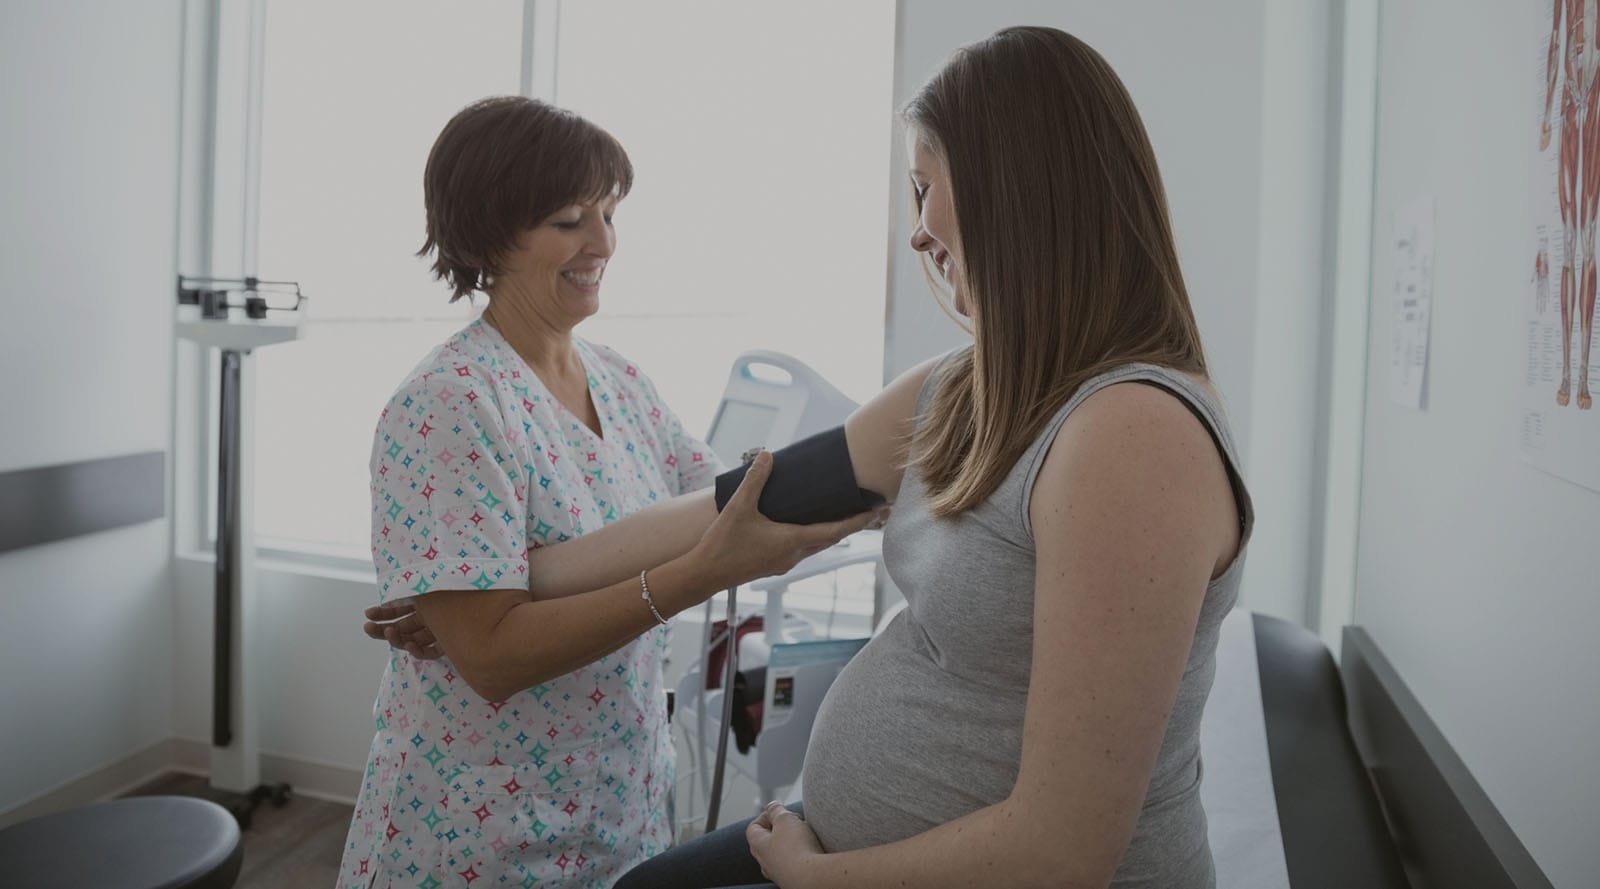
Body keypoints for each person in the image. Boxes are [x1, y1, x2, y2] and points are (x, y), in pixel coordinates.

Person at [378, 24, 1252, 888]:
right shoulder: (958, 390)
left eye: (924, 190)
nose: (917, 233)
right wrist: (493, 593)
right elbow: (736, 504)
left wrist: (815, 874)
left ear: (1015, 191)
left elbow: (1062, 855)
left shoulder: (1136, 435)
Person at [337, 96, 875, 889]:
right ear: (490, 234)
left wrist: (878, 466)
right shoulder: (450, 403)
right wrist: (697, 573)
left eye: (609, 214)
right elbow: (488, 657)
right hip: (476, 837)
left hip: (616, 813)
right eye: (568, 219)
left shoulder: (620, 381)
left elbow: (731, 501)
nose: (603, 243)